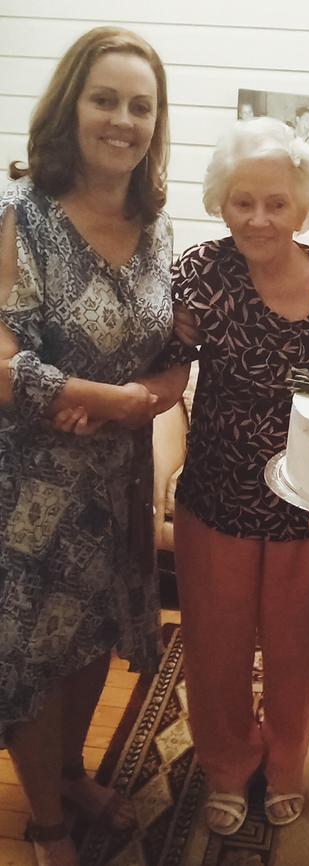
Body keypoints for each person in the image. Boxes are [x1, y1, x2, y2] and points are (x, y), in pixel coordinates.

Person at [0, 26, 187, 866]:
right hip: (32, 486)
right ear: (71, 105)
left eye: (139, 106)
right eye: (105, 99)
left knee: (92, 640)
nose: (122, 119)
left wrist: (123, 406)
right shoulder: (22, 218)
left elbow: (174, 364)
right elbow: (1, 361)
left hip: (117, 475)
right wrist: (85, 397)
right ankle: (44, 823)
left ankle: (70, 773)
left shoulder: (157, 223)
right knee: (37, 652)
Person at [161, 117, 309, 836]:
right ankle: (224, 763)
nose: (258, 217)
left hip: (307, 504)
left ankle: (284, 763)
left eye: (276, 202)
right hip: (215, 495)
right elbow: (163, 364)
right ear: (221, 200)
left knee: (296, 650)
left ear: (303, 206)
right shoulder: (196, 273)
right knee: (214, 648)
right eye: (242, 200)